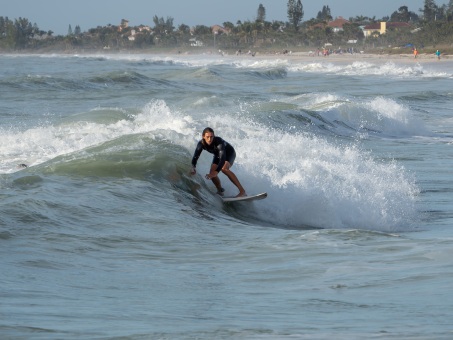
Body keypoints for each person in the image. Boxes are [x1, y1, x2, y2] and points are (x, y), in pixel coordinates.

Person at [190, 127, 246, 197]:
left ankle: (242, 191)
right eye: (207, 137)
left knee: (224, 169)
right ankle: (220, 191)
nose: (210, 139)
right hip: (218, 154)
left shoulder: (218, 142)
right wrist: (193, 167)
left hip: (229, 153)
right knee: (211, 173)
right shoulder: (201, 144)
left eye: (211, 137)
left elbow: (222, 159)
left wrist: (216, 172)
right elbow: (195, 156)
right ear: (203, 136)